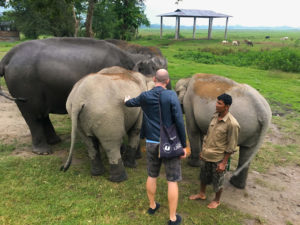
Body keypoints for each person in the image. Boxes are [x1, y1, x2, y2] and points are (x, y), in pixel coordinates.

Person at [124, 69, 187, 225]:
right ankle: (172, 218)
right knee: (172, 181)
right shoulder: (171, 95)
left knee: (152, 175)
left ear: (154, 79)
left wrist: (125, 100)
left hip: (151, 142)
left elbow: (131, 103)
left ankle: (152, 206)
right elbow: (179, 120)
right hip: (170, 143)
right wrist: (183, 145)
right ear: (167, 81)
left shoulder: (145, 96)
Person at [189, 93, 240, 209]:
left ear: (226, 106)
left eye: (219, 103)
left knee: (218, 182)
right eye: (217, 102)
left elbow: (231, 146)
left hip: (218, 158)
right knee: (203, 176)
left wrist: (223, 163)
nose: (216, 105)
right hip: (207, 154)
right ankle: (201, 194)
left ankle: (216, 201)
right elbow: (208, 135)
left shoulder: (232, 124)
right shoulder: (215, 116)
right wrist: (203, 151)